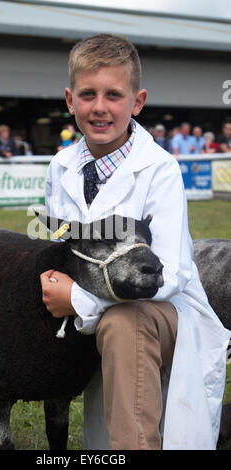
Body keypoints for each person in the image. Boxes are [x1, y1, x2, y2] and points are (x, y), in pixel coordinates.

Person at [39, 34, 230, 450]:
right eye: (87, 94)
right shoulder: (60, 167)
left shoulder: (159, 169)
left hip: (165, 312)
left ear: (137, 102)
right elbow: (63, 246)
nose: (100, 107)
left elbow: (171, 273)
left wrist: (82, 302)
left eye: (114, 94)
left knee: (126, 321)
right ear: (69, 100)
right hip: (96, 311)